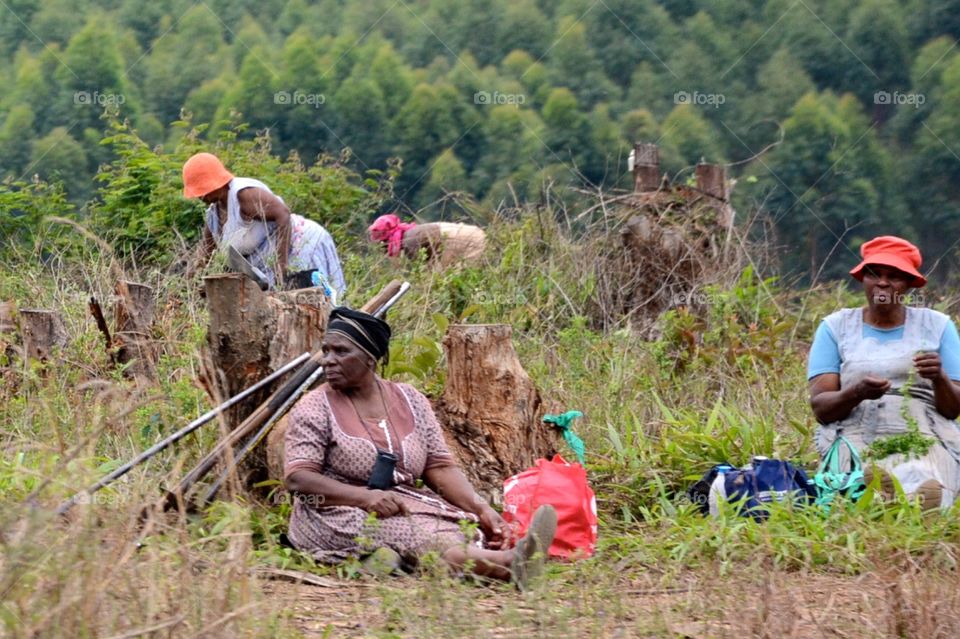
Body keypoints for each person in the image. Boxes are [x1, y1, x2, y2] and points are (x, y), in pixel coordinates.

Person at [283, 307, 557, 588]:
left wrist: (482, 508)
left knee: (461, 529)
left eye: (340, 352)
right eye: (325, 351)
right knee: (420, 534)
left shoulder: (410, 399)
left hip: (404, 502)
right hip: (335, 510)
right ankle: (511, 565)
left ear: (370, 358)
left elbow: (439, 467)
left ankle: (391, 562)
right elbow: (297, 479)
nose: (328, 361)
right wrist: (364, 498)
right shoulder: (315, 406)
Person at [808, 236, 960, 509]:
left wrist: (939, 378)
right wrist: (856, 393)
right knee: (859, 476)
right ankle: (880, 497)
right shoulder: (835, 327)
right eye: (874, 274)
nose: (883, 283)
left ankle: (918, 500)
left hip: (923, 431)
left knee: (924, 473)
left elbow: (952, 410)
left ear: (910, 284)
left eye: (895, 276)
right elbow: (821, 409)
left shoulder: (938, 326)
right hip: (856, 431)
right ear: (863, 279)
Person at [183, 152, 346, 295]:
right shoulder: (213, 215)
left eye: (201, 191)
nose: (199, 196)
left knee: (314, 302)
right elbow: (206, 253)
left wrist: (281, 266)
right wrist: (188, 285)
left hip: (301, 244)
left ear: (214, 184)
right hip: (269, 261)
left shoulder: (244, 195)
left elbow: (283, 215)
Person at [368, 213, 486, 266]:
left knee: (462, 284)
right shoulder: (411, 234)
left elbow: (431, 270)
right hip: (472, 235)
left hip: (472, 243)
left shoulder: (411, 242)